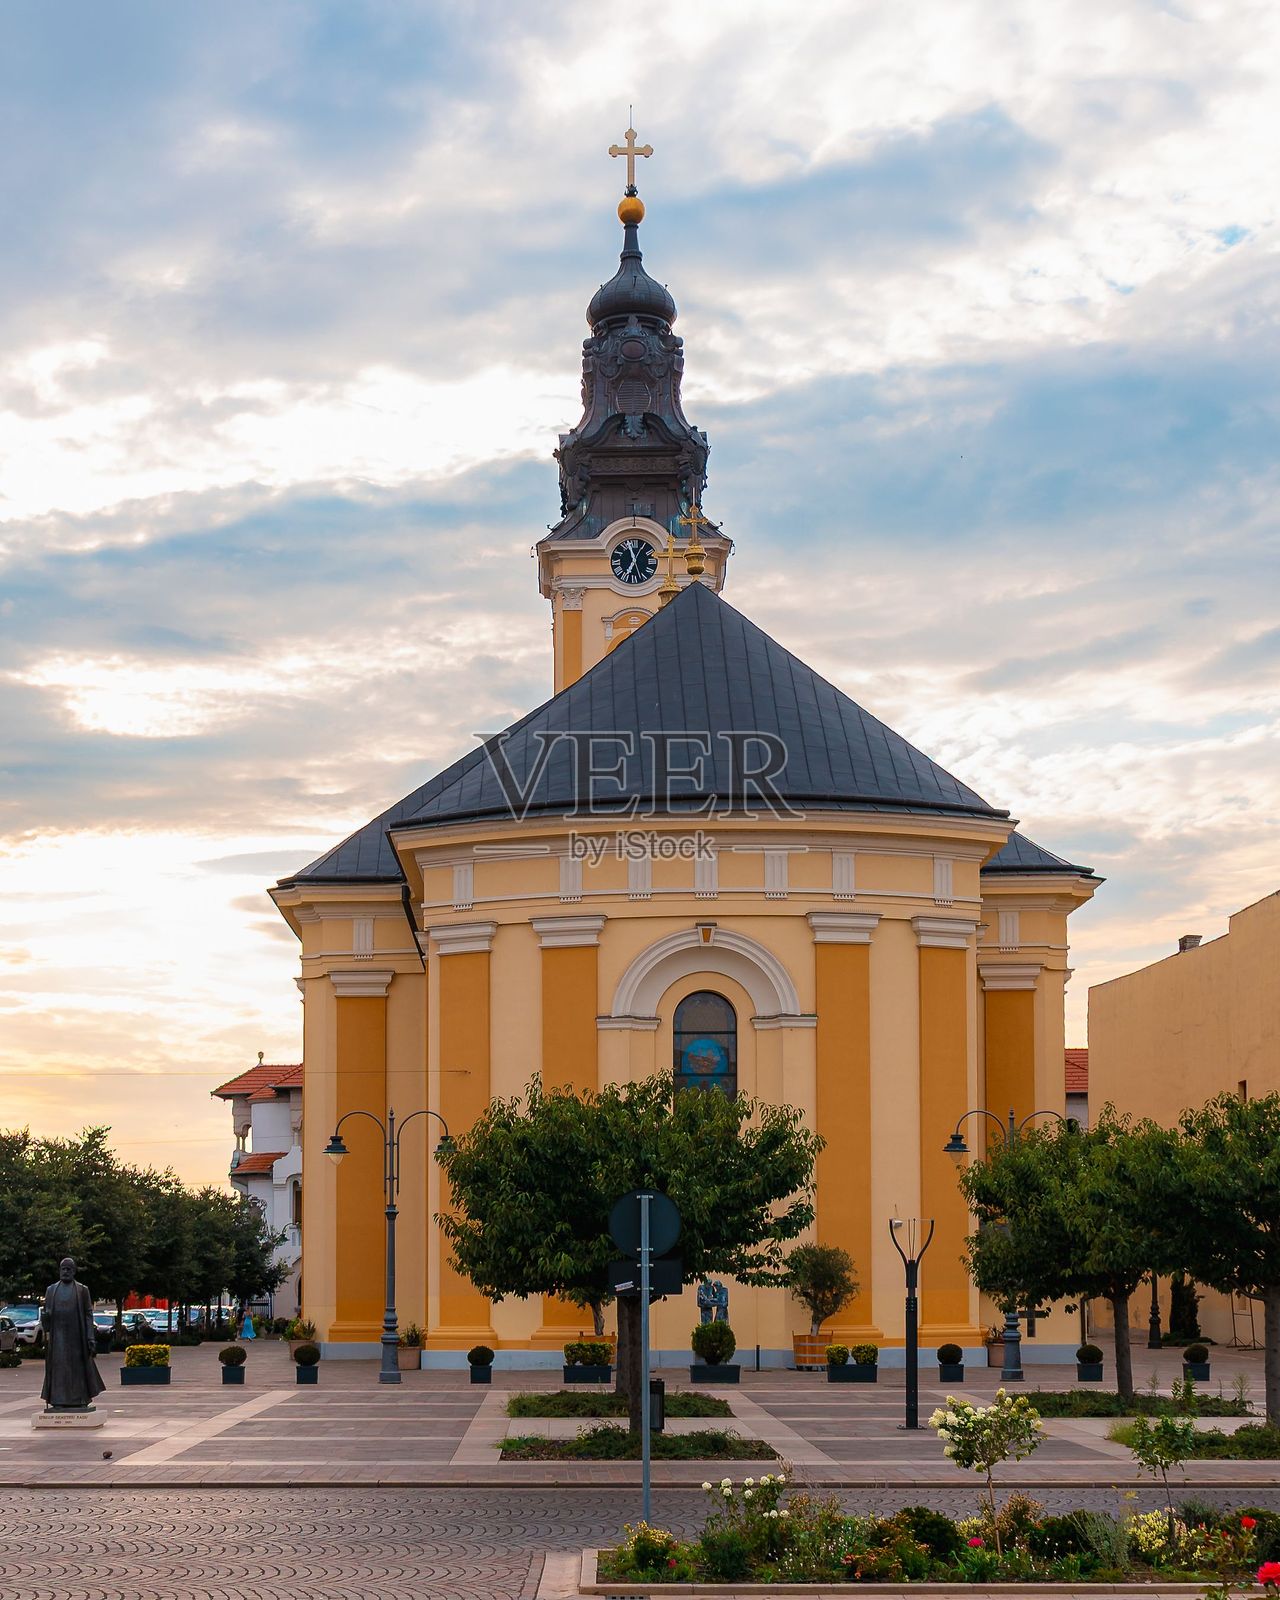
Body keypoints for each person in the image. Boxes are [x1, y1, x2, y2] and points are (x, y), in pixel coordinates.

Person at [40, 1258, 105, 1412]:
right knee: (59, 1367)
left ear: (74, 1271)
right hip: (58, 1337)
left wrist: (90, 1337)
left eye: (69, 1269)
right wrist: (45, 1318)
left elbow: (88, 1315)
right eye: (63, 1269)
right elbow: (47, 1319)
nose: (66, 1272)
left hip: (77, 1336)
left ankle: (79, 1398)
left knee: (77, 1367)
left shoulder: (82, 1290)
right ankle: (58, 1399)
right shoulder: (51, 1290)